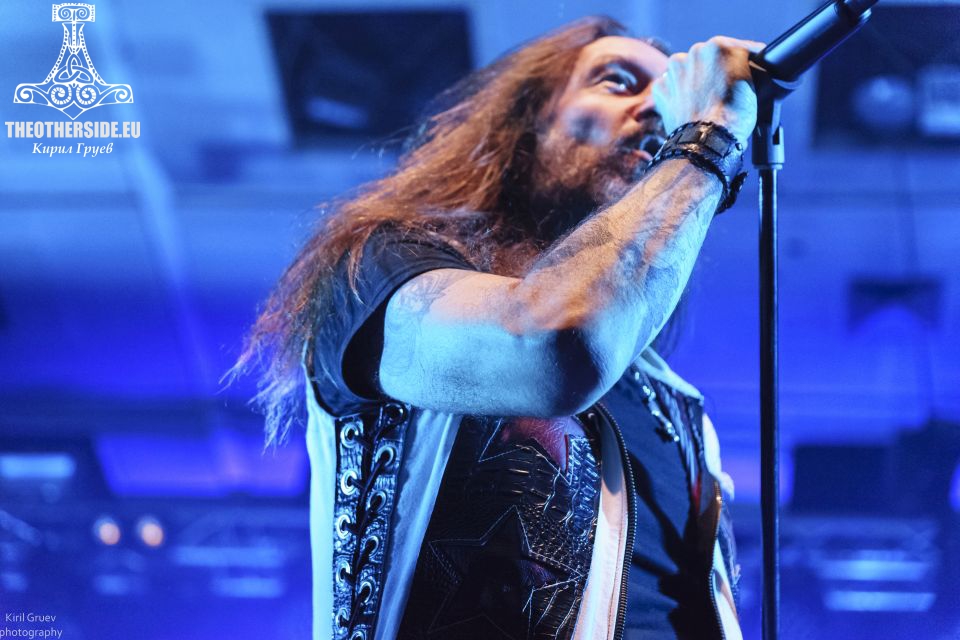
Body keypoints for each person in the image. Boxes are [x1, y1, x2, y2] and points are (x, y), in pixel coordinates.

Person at [235, 15, 759, 640]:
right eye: (619, 82)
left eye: (669, 96)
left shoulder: (674, 403)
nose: (658, 109)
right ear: (527, 125)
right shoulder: (382, 267)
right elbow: (547, 348)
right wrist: (705, 139)